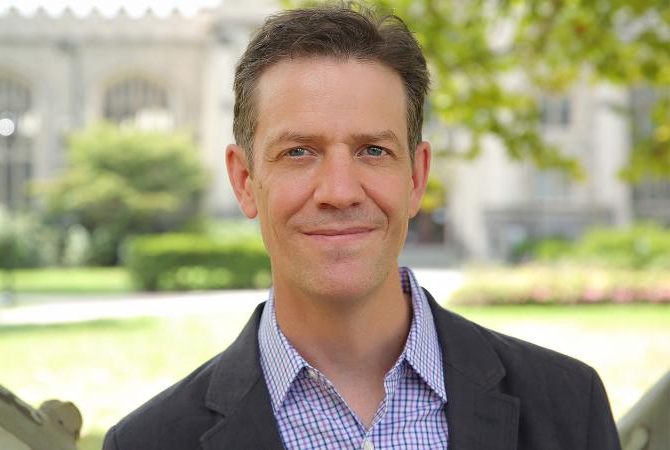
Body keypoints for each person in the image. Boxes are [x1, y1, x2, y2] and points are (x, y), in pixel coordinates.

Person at [104, 4, 621, 449]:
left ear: (416, 177)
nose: (340, 191)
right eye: (299, 152)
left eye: (373, 150)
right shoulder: (150, 440)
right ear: (244, 180)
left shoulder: (569, 407)